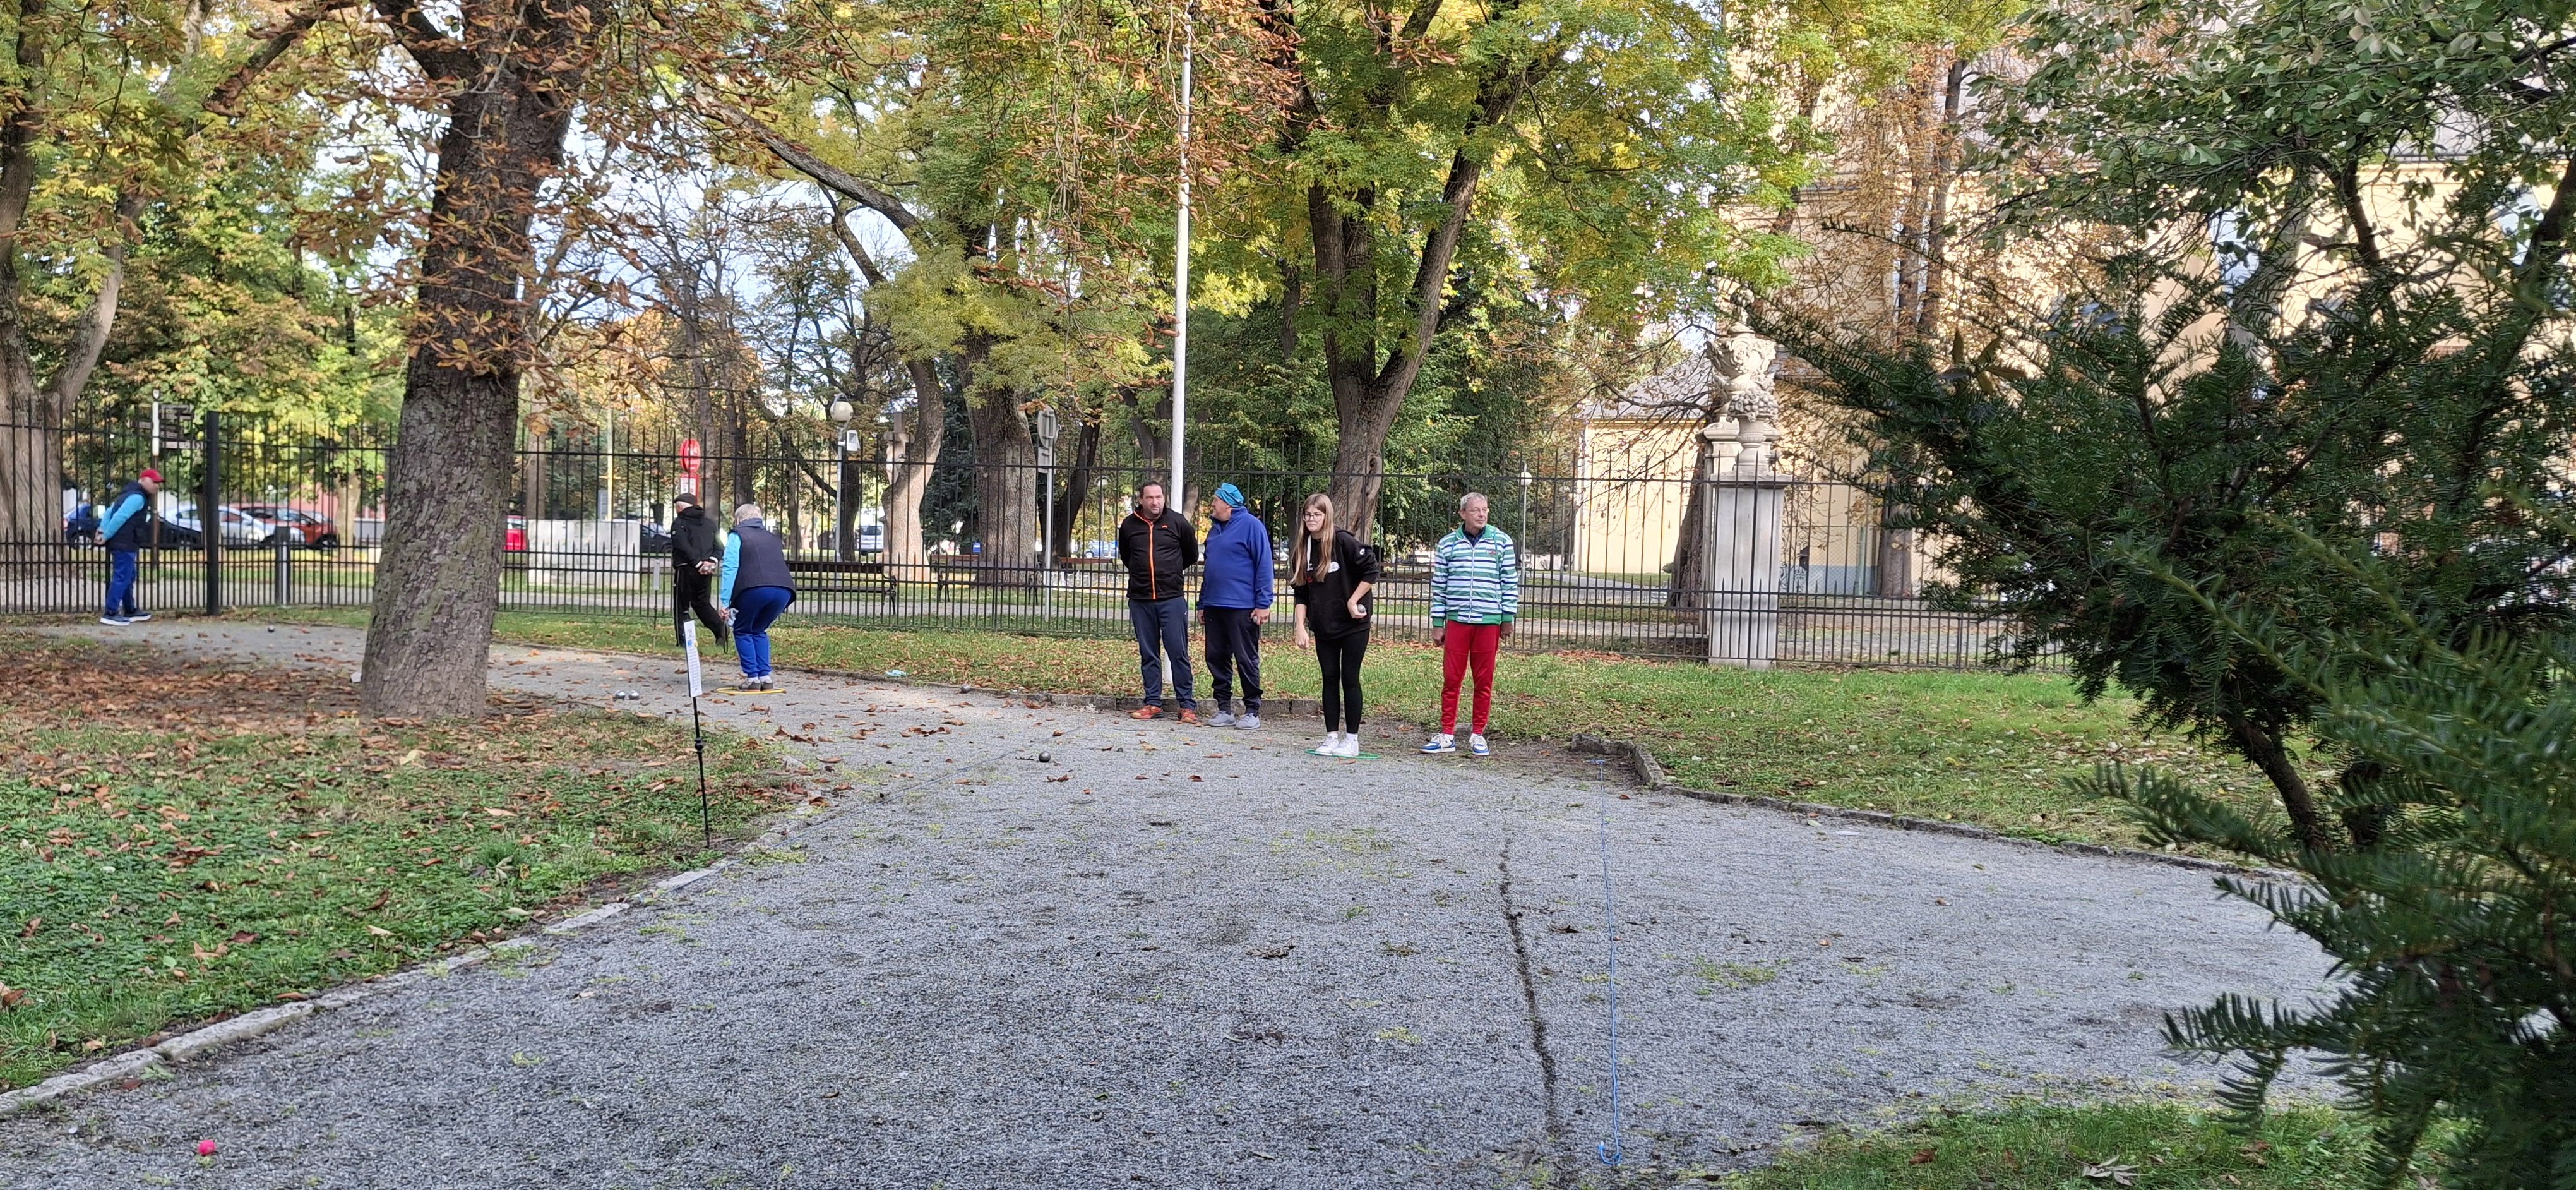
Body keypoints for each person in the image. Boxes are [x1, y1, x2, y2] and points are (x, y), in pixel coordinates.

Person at [1421, 491, 1518, 758]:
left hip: (1489, 621)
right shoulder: (1448, 544)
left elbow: (1509, 581)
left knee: (1484, 680)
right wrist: (1438, 623)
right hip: (1457, 621)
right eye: (1476, 510)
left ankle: (1478, 734)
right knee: (1452, 679)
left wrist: (1507, 617)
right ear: (1463, 514)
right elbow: (1439, 586)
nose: (1482, 514)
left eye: (1485, 509)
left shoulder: (1502, 542)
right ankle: (1447, 734)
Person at [1291, 493, 1377, 757]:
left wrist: (1353, 600)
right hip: (1325, 625)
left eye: (1317, 515)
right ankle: (1331, 737)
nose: (1311, 519)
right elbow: (1301, 593)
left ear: (1326, 516)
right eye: (1307, 515)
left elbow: (1371, 570)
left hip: (1353, 624)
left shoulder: (1343, 541)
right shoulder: (1304, 549)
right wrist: (1300, 626)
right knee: (1329, 678)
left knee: (1349, 677)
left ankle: (1352, 739)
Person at [1117, 480, 1199, 722]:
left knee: (1178, 652)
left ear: (1164, 498)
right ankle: (1152, 702)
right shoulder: (1129, 525)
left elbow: (1191, 554)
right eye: (1150, 498)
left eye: (1159, 497)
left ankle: (1187, 705)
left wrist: (1170, 572)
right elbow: (1127, 557)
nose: (1155, 502)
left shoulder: (1177, 522)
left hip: (1171, 598)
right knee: (1148, 653)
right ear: (1141, 500)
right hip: (1140, 599)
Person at [1196, 483, 1273, 730]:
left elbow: (1264, 565)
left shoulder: (1252, 526)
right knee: (1216, 657)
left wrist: (1263, 603)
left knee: (1245, 658)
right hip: (1214, 604)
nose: (1212, 505)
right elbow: (1209, 570)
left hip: (1242, 606)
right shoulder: (1214, 530)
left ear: (1228, 503)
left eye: (1216, 500)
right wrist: (1202, 602)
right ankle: (1224, 708)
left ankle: (1252, 710)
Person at [714, 503, 796, 692]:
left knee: (743, 630)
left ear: (738, 520)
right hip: (783, 590)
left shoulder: (737, 536)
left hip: (753, 588)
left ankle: (752, 678)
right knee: (759, 630)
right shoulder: (773, 538)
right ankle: (765, 677)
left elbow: (731, 567)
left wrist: (725, 602)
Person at [94, 469, 161, 627]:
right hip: (125, 541)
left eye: (159, 483)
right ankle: (111, 612)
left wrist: (103, 529)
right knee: (123, 576)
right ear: (143, 480)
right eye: (154, 482)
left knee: (129, 575)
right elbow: (121, 516)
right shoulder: (138, 497)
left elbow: (109, 512)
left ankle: (130, 609)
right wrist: (106, 535)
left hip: (123, 541)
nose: (157, 486)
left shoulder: (127, 493)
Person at [667, 491, 729, 652]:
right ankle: (720, 629)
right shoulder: (709, 523)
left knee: (682, 605)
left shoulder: (679, 523)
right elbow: (719, 546)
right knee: (702, 603)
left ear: (680, 508)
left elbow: (683, 545)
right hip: (706, 571)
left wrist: (697, 563)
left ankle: (683, 640)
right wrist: (711, 561)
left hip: (686, 568)